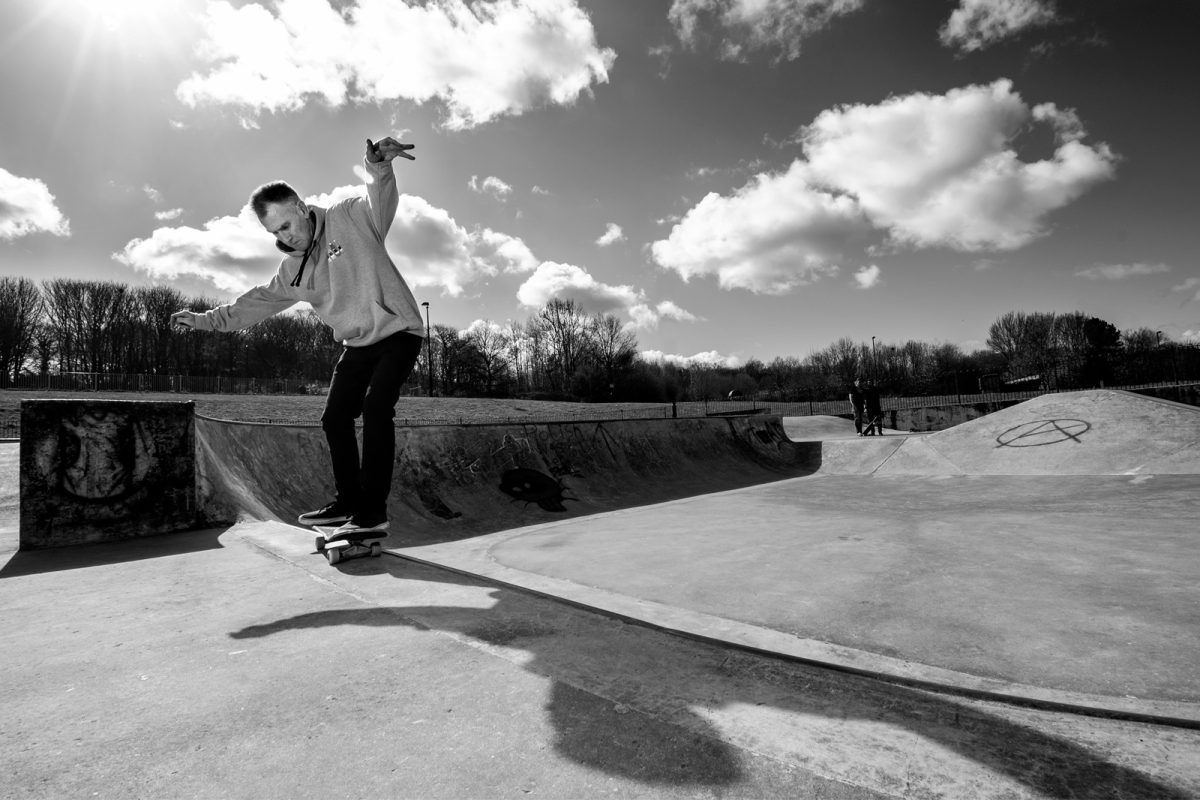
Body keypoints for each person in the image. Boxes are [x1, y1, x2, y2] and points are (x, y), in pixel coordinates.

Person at [171, 136, 423, 537]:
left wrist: (379, 167)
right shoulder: (291, 273)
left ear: (302, 208)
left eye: (287, 225)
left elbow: (380, 201)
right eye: (275, 231)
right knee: (334, 418)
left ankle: (372, 513)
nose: (285, 237)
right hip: (357, 344)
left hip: (398, 332)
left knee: (377, 407)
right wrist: (203, 321)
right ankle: (348, 502)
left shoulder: (350, 217)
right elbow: (251, 305)